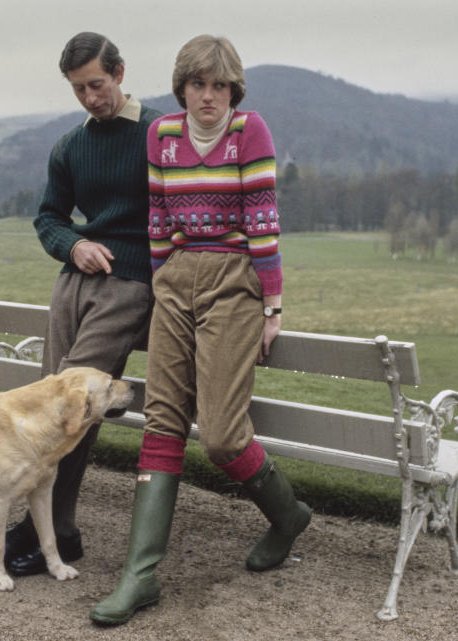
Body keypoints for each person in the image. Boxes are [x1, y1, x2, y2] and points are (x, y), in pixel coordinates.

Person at [90, 35, 311, 626]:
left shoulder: (249, 132)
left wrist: (272, 304)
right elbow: (158, 217)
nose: (208, 96)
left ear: (233, 89)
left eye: (218, 86)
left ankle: (288, 515)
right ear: (182, 88)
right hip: (176, 281)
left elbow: (263, 221)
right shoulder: (162, 136)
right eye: (197, 85)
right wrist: (164, 281)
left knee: (219, 437)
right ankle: (140, 576)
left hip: (235, 280)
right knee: (160, 419)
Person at [0, 32, 162, 576]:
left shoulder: (159, 133)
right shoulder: (70, 146)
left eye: (97, 84)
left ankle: (50, 528)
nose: (90, 98)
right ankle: (51, 524)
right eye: (78, 89)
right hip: (72, 284)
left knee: (73, 410)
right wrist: (73, 244)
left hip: (131, 286)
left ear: (120, 73)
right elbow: (48, 217)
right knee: (52, 402)